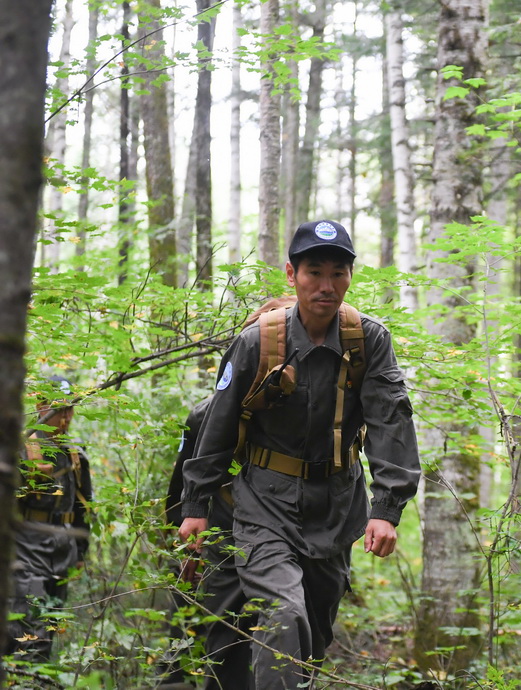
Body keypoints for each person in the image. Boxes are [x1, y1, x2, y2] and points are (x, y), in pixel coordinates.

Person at [178, 220, 421, 689]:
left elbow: (391, 422)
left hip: (335, 507)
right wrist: (196, 506)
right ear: (292, 274)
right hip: (263, 506)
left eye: (338, 273)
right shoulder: (258, 341)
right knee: (282, 618)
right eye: (314, 272)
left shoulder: (368, 340)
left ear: (351, 276)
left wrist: (387, 508)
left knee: (312, 636)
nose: (326, 286)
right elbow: (218, 425)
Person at [162, 297, 296, 690]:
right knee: (213, 645)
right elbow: (182, 488)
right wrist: (189, 548)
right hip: (222, 539)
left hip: (281, 540)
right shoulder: (207, 414)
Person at [7, 375, 93, 663]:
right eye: (60, 409)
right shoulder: (22, 450)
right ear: (41, 406)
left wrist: (80, 552)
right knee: (28, 630)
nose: (66, 417)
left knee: (50, 622)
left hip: (62, 550)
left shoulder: (75, 454)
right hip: (27, 549)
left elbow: (83, 506)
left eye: (70, 410)